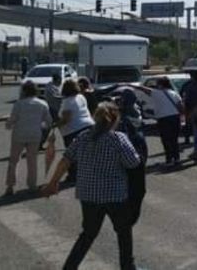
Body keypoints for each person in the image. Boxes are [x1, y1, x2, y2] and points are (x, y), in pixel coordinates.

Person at [42, 102, 142, 270]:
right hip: (115, 195)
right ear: (115, 120)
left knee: (88, 234)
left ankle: (69, 267)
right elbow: (133, 163)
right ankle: (127, 266)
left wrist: (53, 182)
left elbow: (66, 160)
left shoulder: (83, 137)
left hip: (88, 194)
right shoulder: (118, 138)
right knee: (123, 231)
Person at [5, 81, 52, 195]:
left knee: (14, 160)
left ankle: (10, 186)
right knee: (32, 161)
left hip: (19, 134)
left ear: (24, 91)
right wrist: (40, 125)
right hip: (35, 135)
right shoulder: (43, 104)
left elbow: (12, 121)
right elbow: (48, 122)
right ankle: (32, 185)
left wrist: (8, 125)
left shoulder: (19, 104)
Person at [49, 79, 95, 184]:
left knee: (72, 155)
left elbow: (66, 119)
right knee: (86, 153)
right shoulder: (80, 97)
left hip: (74, 130)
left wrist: (55, 125)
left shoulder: (67, 102)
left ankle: (73, 177)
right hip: (88, 125)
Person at [134, 77, 183, 166]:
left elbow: (143, 89)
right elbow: (180, 106)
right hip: (175, 117)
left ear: (160, 84)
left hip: (163, 119)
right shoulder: (174, 93)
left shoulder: (155, 93)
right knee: (174, 140)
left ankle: (169, 160)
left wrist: (128, 85)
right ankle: (177, 159)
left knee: (166, 140)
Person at [117, 88, 148, 227]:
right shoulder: (137, 109)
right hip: (140, 148)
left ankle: (126, 217)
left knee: (129, 184)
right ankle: (131, 216)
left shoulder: (123, 116)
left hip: (129, 148)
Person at [181, 70, 197, 158]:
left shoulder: (189, 86)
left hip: (194, 112)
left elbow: (186, 100)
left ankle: (196, 150)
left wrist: (187, 113)